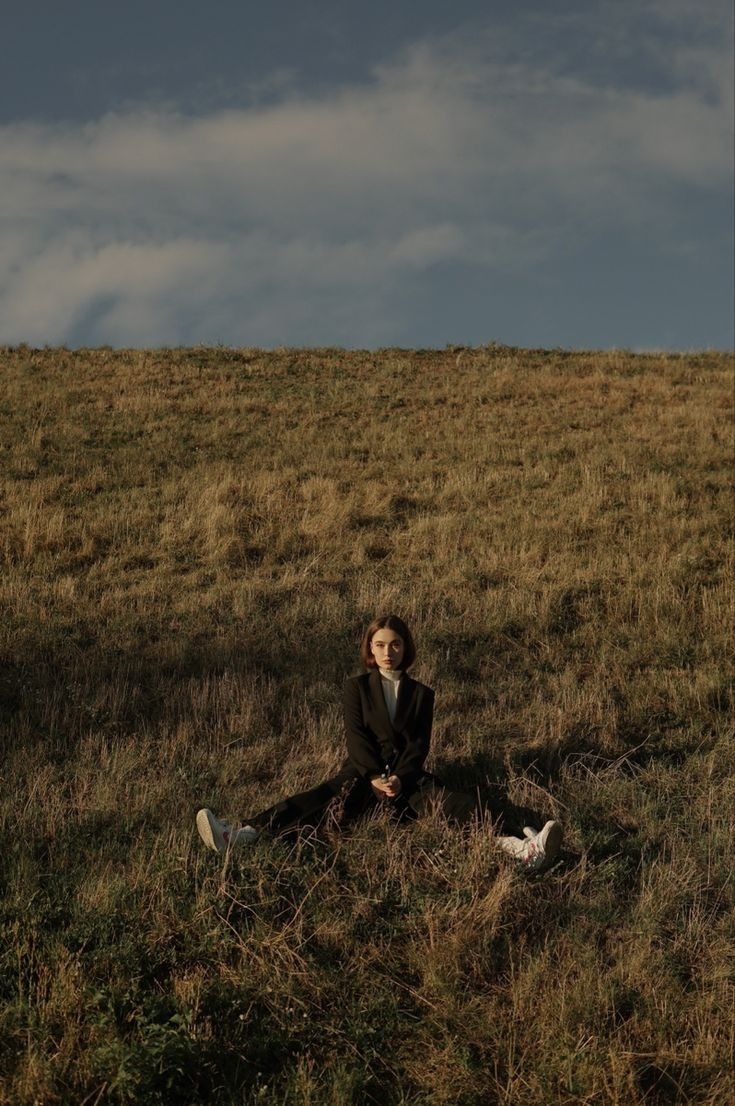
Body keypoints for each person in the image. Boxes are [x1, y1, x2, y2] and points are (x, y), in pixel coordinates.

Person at [196, 614, 563, 871]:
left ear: (406, 648)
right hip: (361, 772)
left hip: (407, 778)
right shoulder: (355, 688)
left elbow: (419, 746)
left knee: (454, 804)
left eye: (396, 644)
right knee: (318, 800)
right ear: (370, 649)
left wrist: (401, 778)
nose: (389, 651)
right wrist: (372, 774)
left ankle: (520, 848)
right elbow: (355, 737)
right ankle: (242, 835)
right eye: (381, 644)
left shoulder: (422, 693)